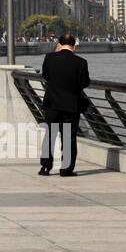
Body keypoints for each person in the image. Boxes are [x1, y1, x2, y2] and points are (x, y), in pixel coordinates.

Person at [38, 35, 92, 177]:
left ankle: (45, 167)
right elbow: (85, 82)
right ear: (74, 46)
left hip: (53, 104)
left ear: (59, 45)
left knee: (50, 135)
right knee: (68, 137)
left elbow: (46, 76)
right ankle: (66, 169)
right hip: (71, 105)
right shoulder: (81, 62)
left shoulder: (49, 58)